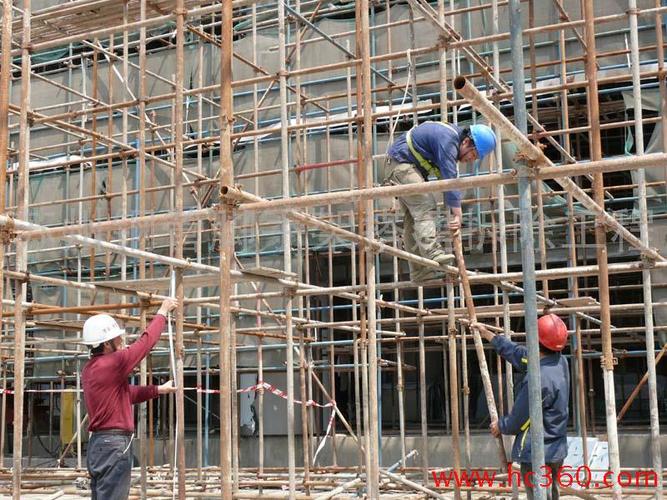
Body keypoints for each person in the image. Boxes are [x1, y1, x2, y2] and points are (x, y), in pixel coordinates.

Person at [81, 298, 178, 500]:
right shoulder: (113, 363)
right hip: (114, 444)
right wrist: (162, 312)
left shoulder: (91, 369)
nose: (121, 341)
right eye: (117, 338)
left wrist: (157, 389)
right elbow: (145, 344)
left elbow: (126, 394)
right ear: (106, 344)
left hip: (99, 444)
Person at [385, 121, 497, 283]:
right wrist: (457, 214)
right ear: (466, 142)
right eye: (472, 155)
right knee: (425, 205)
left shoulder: (449, 139)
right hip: (402, 164)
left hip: (401, 164)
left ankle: (419, 271)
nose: (470, 160)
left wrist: (452, 209)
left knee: (412, 219)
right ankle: (432, 252)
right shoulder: (448, 140)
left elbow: (447, 182)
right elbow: (450, 179)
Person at [477, 315, 570, 500]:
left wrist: (500, 426)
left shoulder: (538, 378)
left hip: (538, 452)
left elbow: (519, 419)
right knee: (552, 496)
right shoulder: (560, 362)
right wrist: (490, 336)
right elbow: (518, 354)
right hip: (556, 449)